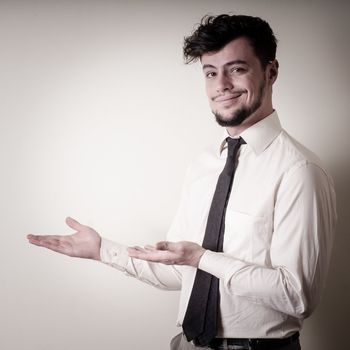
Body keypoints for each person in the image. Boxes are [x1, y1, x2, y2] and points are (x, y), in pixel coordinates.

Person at [27, 14, 337, 350]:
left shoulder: (299, 171)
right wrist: (103, 250)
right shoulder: (205, 164)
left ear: (271, 71)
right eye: (210, 73)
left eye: (236, 69)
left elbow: (297, 295)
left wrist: (201, 258)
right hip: (187, 344)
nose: (221, 85)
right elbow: (180, 270)